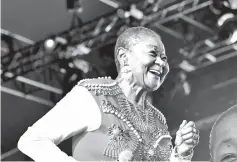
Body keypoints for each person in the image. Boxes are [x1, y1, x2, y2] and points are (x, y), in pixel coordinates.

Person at [18, 26, 199, 161]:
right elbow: (32, 140)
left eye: (164, 58)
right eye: (153, 54)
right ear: (124, 58)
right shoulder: (94, 95)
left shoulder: (158, 119)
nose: (161, 63)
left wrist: (181, 154)